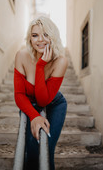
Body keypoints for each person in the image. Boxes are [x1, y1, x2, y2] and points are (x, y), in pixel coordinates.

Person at [14, 16, 68, 170]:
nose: (40, 40)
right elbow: (19, 95)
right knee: (31, 150)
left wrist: (40, 66)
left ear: (53, 36)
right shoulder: (22, 56)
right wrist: (34, 116)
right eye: (35, 35)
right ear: (30, 39)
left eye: (46, 34)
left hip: (54, 104)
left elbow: (43, 100)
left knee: (46, 151)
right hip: (29, 104)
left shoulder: (61, 61)